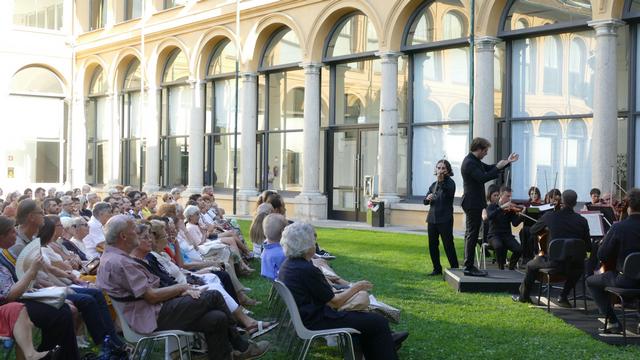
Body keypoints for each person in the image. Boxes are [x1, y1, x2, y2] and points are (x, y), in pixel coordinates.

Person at [96, 215, 269, 360]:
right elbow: (151, 296)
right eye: (134, 230)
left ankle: (230, 353)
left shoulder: (112, 258)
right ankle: (241, 345)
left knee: (216, 318)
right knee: (213, 296)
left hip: (152, 311)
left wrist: (181, 289)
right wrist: (181, 288)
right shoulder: (121, 262)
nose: (138, 233)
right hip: (151, 315)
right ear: (123, 237)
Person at [278, 222, 407, 360]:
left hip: (308, 316)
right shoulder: (306, 270)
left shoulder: (289, 265)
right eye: (313, 239)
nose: (315, 243)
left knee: (369, 320)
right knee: (378, 322)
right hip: (317, 320)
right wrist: (357, 287)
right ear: (305, 245)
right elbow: (335, 303)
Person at [0, 216, 79, 359]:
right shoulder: (6, 253)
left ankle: (54, 353)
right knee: (59, 313)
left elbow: (16, 284)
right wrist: (32, 272)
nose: (16, 235)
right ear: (1, 236)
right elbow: (9, 295)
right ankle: (55, 354)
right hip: (9, 306)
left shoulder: (3, 253)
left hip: (20, 299)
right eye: (12, 232)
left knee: (63, 309)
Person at [513, 190, 590, 307]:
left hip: (554, 264)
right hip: (574, 266)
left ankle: (524, 297)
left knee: (530, 265)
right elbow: (588, 247)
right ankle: (563, 296)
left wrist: (547, 229)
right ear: (575, 203)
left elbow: (533, 230)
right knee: (578, 266)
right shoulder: (582, 221)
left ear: (561, 201)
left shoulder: (550, 216)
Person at [460, 137, 519, 276]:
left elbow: (491, 167)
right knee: (472, 234)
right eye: (485, 151)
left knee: (472, 233)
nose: (486, 153)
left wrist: (507, 162)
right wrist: (498, 168)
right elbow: (483, 177)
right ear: (479, 149)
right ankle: (468, 266)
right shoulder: (469, 163)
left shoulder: (475, 161)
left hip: (474, 203)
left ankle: (468, 265)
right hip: (471, 203)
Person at [586, 188, 640, 333]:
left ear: (628, 205)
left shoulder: (619, 228)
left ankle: (612, 321)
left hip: (625, 280)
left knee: (591, 281)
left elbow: (602, 256)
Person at [423, 159, 458, 275]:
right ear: (435, 169)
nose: (440, 170)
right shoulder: (433, 185)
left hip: (445, 218)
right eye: (438, 168)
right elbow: (425, 201)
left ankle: (455, 268)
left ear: (448, 170)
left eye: (443, 168)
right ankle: (436, 268)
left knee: (448, 244)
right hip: (432, 218)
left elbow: (448, 194)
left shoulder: (450, 183)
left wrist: (441, 181)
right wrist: (428, 198)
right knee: (432, 245)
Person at [485, 186, 522, 270]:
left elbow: (515, 223)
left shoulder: (510, 209)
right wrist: (501, 208)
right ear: (501, 195)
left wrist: (521, 216)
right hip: (494, 235)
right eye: (507, 196)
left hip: (507, 236)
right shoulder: (492, 206)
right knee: (498, 246)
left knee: (519, 249)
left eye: (510, 196)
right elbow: (490, 216)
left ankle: (511, 268)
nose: (510, 198)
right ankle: (500, 268)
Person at [260, 213, 287, 281]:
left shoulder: (266, 247)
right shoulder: (282, 253)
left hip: (266, 274)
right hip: (276, 278)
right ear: (282, 233)